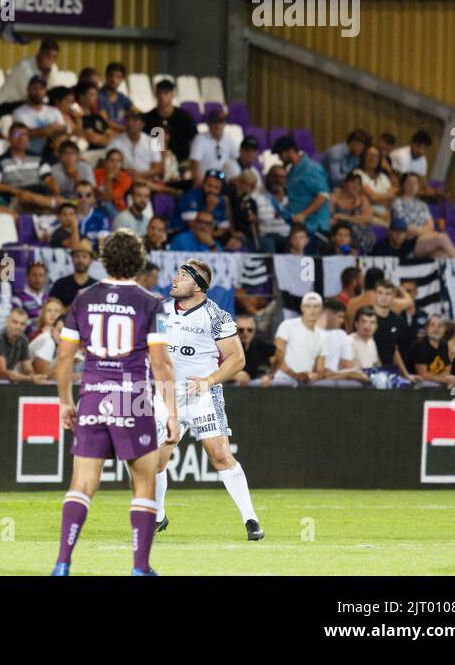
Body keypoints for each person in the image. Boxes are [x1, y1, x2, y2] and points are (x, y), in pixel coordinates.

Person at [52, 229, 176, 576]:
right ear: (138, 261)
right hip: (133, 398)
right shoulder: (150, 303)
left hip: (93, 396)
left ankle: (63, 562)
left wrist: (64, 402)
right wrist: (173, 413)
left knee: (82, 484)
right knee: (144, 483)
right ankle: (140, 567)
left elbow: (64, 359)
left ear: (103, 259)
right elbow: (162, 363)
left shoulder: (83, 298)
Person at [151, 259, 263, 540]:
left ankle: (251, 520)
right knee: (155, 462)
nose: (174, 279)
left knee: (221, 455)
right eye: (175, 273)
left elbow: (238, 359)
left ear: (199, 286)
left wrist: (208, 381)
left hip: (202, 395)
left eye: (182, 276)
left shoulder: (217, 316)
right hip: (166, 395)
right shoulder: (161, 311)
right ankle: (158, 516)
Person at [265, 293, 327, 386]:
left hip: (305, 384)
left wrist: (313, 376)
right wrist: (295, 375)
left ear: (321, 309)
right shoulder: (287, 325)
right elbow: (275, 356)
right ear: (302, 308)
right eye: (308, 306)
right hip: (281, 380)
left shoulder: (323, 336)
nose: (312, 310)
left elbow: (320, 370)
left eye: (316, 306)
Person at [49, 240, 98, 307]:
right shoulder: (60, 285)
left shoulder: (96, 287)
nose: (80, 260)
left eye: (84, 257)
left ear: (91, 260)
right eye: (77, 256)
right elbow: (51, 309)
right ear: (72, 258)